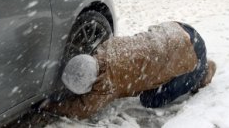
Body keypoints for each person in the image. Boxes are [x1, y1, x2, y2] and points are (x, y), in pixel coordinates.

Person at [45, 21, 216, 120]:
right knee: (153, 61)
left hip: (191, 53)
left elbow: (81, 110)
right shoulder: (106, 47)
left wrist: (50, 106)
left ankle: (202, 72)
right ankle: (191, 66)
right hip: (177, 28)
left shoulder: (106, 86)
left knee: (151, 100)